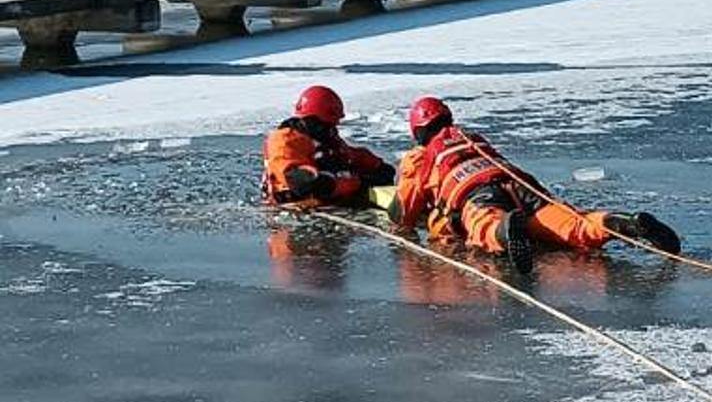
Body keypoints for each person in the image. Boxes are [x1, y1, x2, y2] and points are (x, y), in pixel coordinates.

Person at [391, 96, 681, 273]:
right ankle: (621, 223)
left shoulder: (419, 156)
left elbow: (404, 211)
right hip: (519, 185)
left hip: (476, 194)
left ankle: (506, 230)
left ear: (417, 132)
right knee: (572, 225)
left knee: (484, 225)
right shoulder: (471, 137)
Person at [261, 85, 395, 208]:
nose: (333, 128)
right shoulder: (284, 141)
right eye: (329, 124)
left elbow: (347, 155)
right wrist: (355, 183)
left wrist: (376, 166)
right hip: (294, 210)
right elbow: (304, 183)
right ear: (317, 121)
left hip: (330, 202)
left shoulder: (323, 137)